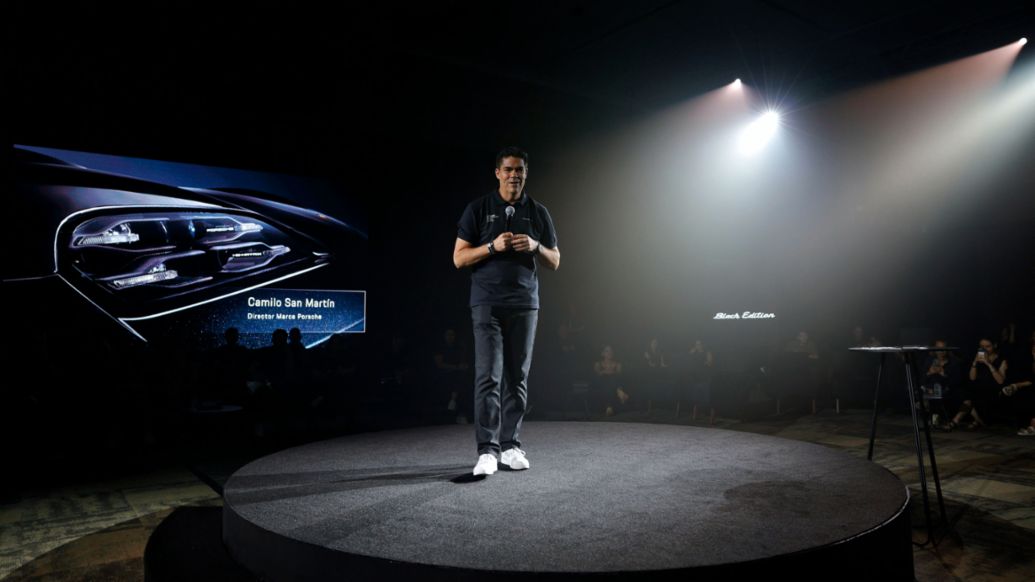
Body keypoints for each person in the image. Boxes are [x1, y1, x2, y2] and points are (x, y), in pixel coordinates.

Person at [453, 146, 560, 476]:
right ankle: (487, 450)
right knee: (489, 376)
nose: (515, 175)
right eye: (509, 169)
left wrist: (535, 246)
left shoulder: (538, 212)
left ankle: (511, 445)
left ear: (526, 174)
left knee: (518, 378)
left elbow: (555, 260)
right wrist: (491, 247)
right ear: (498, 173)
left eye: (520, 170)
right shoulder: (479, 208)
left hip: (525, 304)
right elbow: (459, 258)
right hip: (487, 303)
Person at [945, 338, 1008, 431]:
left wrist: (988, 364)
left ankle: (976, 421)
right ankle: (956, 422)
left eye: (987, 346)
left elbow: (1000, 381)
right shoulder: (978, 359)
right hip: (978, 389)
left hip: (992, 391)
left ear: (994, 346)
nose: (984, 349)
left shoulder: (1002, 360)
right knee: (966, 395)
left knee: (969, 399)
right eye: (982, 347)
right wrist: (974, 363)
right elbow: (972, 378)